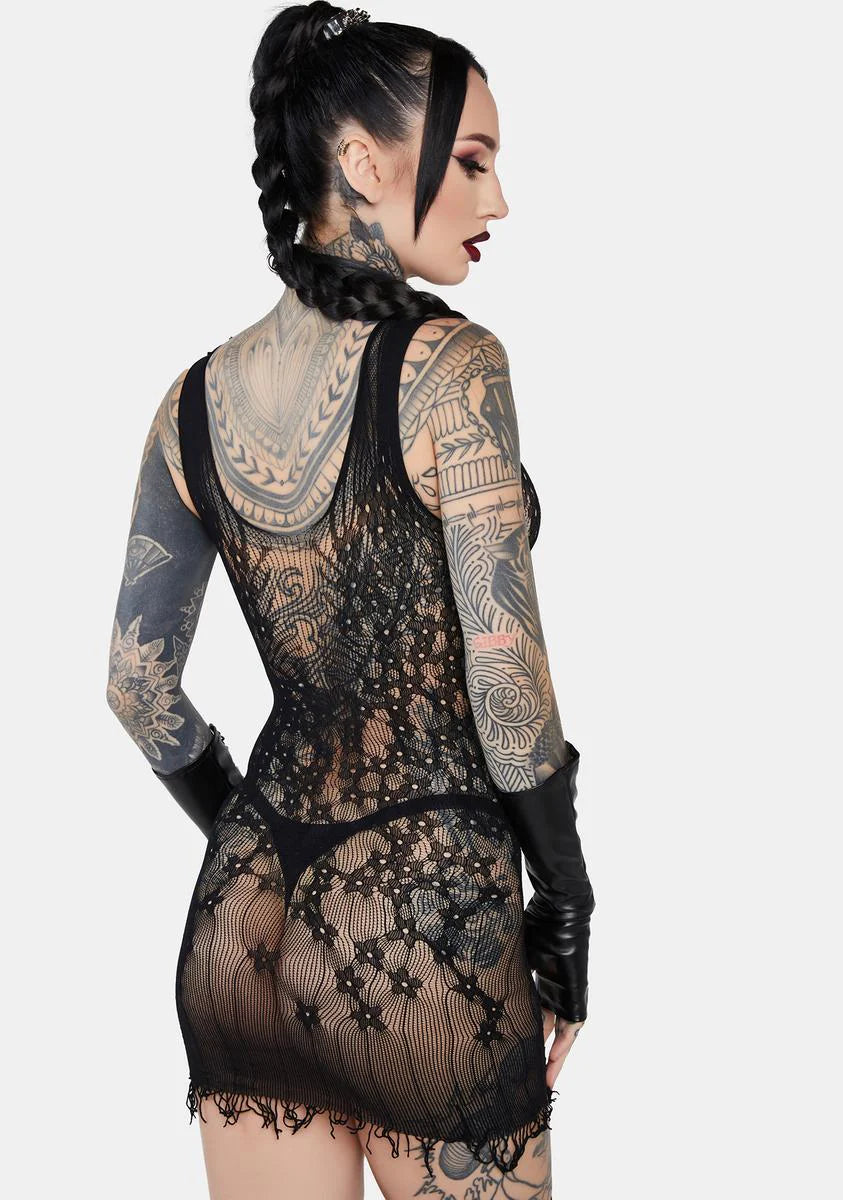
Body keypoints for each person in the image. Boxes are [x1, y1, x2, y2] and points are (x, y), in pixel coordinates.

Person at [106, 4, 596, 1197]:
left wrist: (249, 829)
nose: (497, 198)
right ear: (365, 165)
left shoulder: (192, 402)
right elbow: (506, 685)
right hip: (426, 927)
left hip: (243, 926)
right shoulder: (455, 367)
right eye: (471, 160)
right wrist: (567, 906)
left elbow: (134, 685)